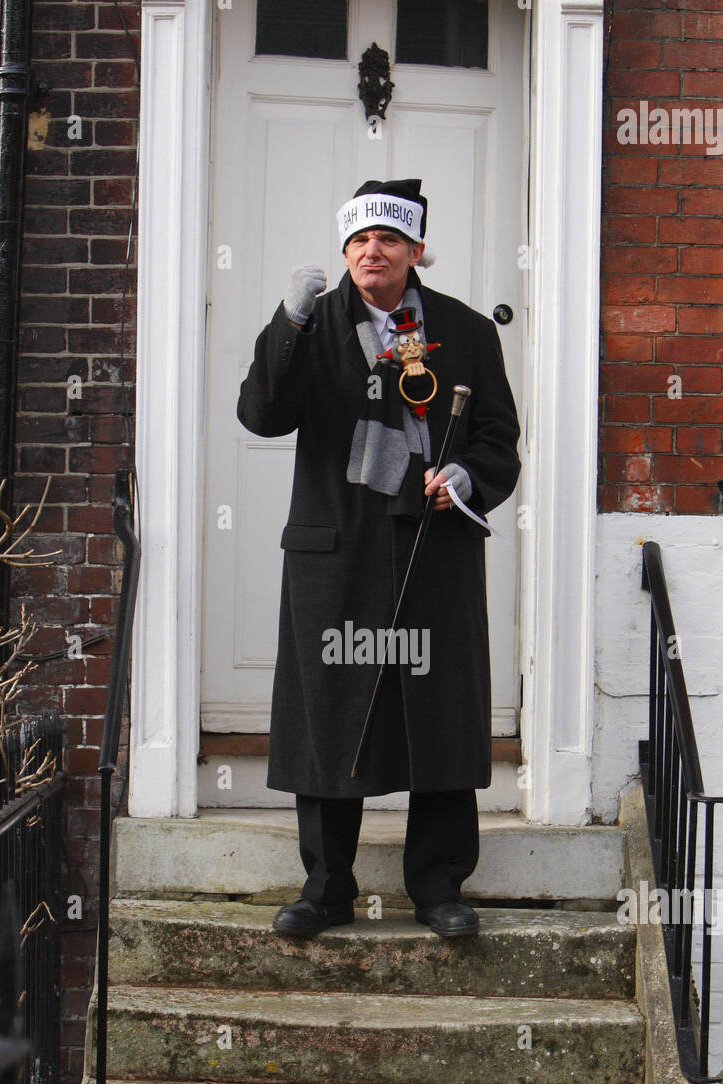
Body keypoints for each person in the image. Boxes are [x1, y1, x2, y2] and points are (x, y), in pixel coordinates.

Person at [237, 178, 520, 940]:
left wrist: (465, 478)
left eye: (390, 239)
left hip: (435, 549)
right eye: (360, 239)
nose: (374, 250)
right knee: (331, 718)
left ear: (415, 250)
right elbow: (262, 414)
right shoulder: (314, 325)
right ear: (345, 251)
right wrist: (289, 319)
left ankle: (438, 889)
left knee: (440, 716)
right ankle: (326, 889)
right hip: (338, 553)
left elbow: (498, 442)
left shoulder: (463, 331)